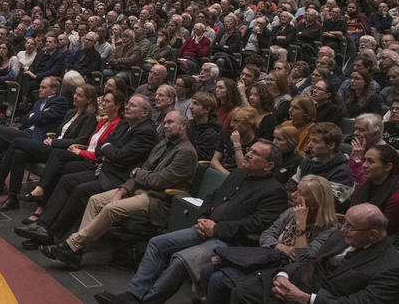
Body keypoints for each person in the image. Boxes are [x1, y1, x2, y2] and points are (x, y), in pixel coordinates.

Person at [94, 141, 288, 304]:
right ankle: (134, 295)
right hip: (206, 227)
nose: (247, 154)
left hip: (232, 241)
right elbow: (213, 196)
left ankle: (147, 301)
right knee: (157, 243)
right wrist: (202, 217)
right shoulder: (238, 173)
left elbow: (256, 224)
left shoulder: (274, 191)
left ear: (269, 165)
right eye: (250, 150)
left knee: (181, 259)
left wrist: (217, 229)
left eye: (255, 154)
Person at [39, 110, 198, 269]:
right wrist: (122, 191)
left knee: (111, 208)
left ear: (184, 125)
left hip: (157, 199)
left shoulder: (187, 153)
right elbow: (140, 172)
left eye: (171, 122)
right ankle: (76, 252)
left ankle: (72, 245)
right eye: (165, 122)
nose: (166, 126)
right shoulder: (163, 144)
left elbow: (158, 181)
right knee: (95, 200)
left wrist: (138, 173)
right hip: (138, 189)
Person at [14, 94, 158, 246]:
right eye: (128, 103)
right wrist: (109, 150)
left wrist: (108, 149)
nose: (128, 107)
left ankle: (54, 233)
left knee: (80, 190)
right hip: (105, 170)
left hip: (117, 179)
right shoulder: (125, 125)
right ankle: (42, 226)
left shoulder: (146, 132)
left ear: (145, 113)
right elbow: (103, 147)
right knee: (67, 180)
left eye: (133, 105)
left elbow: (119, 155)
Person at [204, 174, 340, 304]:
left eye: (301, 193)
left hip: (286, 273)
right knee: (208, 269)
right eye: (296, 190)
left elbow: (302, 259)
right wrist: (281, 247)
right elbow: (266, 235)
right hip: (267, 257)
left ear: (315, 204)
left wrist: (301, 226)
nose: (293, 195)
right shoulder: (290, 212)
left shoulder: (329, 230)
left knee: (219, 279)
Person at [236, 205, 399, 304]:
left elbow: (358, 303)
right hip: (299, 285)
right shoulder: (339, 236)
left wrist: (306, 298)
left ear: (373, 235)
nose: (343, 229)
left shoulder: (391, 269)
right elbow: (309, 260)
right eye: (344, 223)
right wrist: (284, 274)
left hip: (318, 299)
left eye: (350, 227)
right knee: (243, 290)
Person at [0, 83, 99, 211]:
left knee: (17, 142)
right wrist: (52, 138)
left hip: (62, 153)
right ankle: (12, 198)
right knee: (18, 153)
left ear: (89, 100)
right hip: (52, 146)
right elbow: (60, 133)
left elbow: (80, 140)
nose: (75, 97)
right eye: (75, 94)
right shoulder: (71, 112)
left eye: (80, 95)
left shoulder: (89, 118)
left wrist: (54, 142)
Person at [288, 122, 355, 206]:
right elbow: (290, 188)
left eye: (315, 141)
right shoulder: (307, 162)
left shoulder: (342, 172)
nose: (309, 145)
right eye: (310, 140)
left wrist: (297, 200)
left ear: (331, 145)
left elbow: (328, 205)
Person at [351, 144, 399, 235]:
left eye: (370, 162)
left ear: (388, 167)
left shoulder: (397, 198)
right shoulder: (366, 184)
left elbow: (381, 232)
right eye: (364, 160)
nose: (364, 165)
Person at [211, 105, 260, 175]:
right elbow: (214, 161)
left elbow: (242, 168)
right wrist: (227, 175)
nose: (231, 125)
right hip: (221, 174)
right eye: (231, 121)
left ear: (249, 123)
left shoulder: (256, 145)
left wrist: (237, 144)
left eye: (236, 121)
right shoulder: (226, 135)